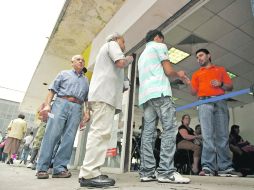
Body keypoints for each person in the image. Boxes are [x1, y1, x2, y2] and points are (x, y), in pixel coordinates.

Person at [78, 33, 133, 188]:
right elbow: (121, 62)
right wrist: (129, 59)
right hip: (103, 97)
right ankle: (89, 174)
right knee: (100, 133)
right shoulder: (111, 45)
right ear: (116, 40)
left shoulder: (108, 58)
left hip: (105, 98)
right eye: (123, 41)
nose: (124, 45)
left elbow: (122, 84)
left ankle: (93, 171)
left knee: (102, 134)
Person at [138, 29, 190, 184]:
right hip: (160, 93)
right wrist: (178, 73)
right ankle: (166, 172)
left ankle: (147, 172)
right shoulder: (159, 46)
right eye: (162, 39)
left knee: (148, 134)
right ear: (157, 37)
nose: (162, 41)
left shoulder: (142, 56)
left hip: (146, 97)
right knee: (169, 130)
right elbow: (168, 71)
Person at [186, 48, 241, 177]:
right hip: (204, 103)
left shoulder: (220, 70)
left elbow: (230, 86)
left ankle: (225, 167)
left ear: (208, 55)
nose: (198, 58)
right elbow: (193, 92)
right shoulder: (196, 74)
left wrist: (220, 83)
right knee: (207, 136)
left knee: (222, 136)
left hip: (220, 102)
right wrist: (187, 82)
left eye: (201, 55)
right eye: (197, 57)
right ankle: (208, 167)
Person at [36, 55, 90, 179]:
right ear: (72, 62)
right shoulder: (63, 74)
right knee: (51, 135)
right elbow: (52, 90)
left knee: (69, 138)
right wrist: (48, 105)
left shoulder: (86, 80)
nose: (81, 61)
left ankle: (59, 168)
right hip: (60, 103)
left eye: (83, 60)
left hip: (77, 107)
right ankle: (42, 168)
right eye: (78, 59)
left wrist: (87, 112)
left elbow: (87, 99)